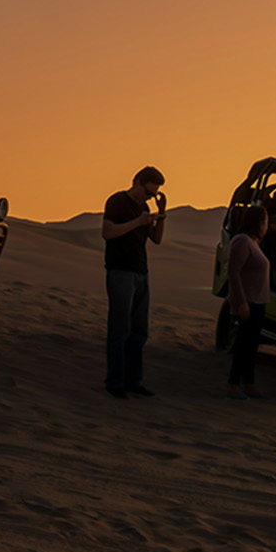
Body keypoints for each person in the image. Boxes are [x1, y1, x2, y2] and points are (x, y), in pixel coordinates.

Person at [101, 166, 167, 399]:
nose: (148, 197)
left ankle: (133, 381)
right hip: (120, 271)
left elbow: (156, 239)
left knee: (139, 331)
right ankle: (115, 382)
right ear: (136, 182)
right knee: (120, 330)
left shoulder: (144, 208)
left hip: (140, 272)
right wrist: (138, 222)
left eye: (153, 195)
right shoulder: (117, 201)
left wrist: (161, 213)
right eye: (147, 192)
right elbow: (107, 232)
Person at [226, 205, 271, 399]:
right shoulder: (242, 241)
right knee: (243, 345)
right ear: (259, 222)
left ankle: (249, 384)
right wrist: (242, 302)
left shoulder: (254, 242)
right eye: (266, 222)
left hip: (258, 302)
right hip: (248, 302)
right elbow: (233, 272)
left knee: (252, 346)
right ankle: (234, 386)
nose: (267, 226)